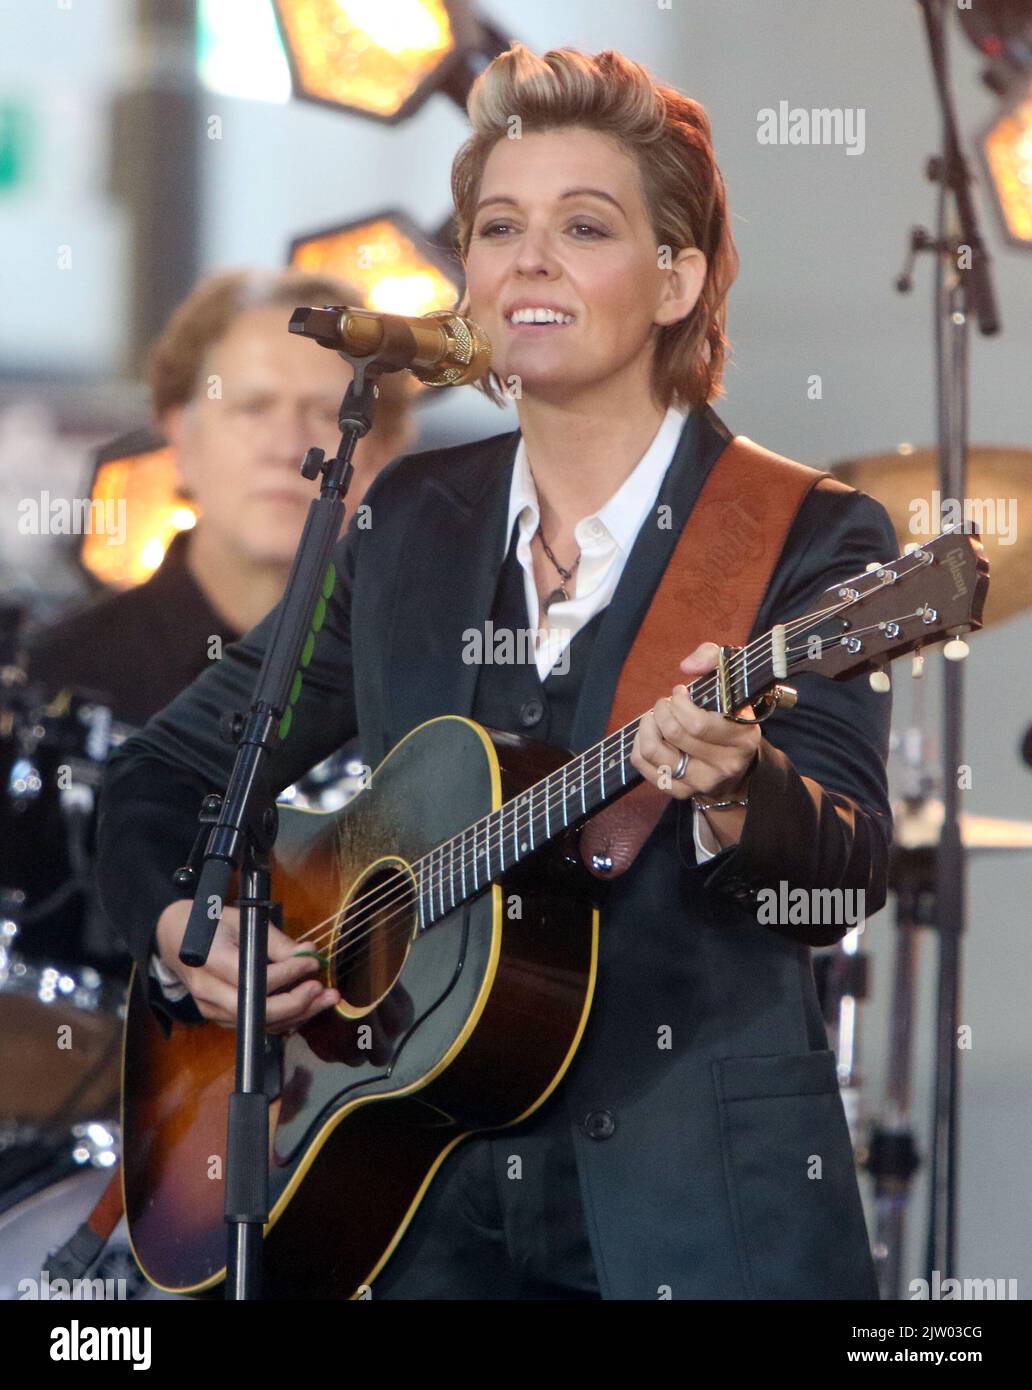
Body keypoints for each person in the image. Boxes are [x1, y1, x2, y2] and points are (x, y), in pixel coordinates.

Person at [95, 45, 895, 1300]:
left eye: (585, 226)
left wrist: (741, 791)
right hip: (416, 1204)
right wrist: (185, 922)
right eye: (498, 227)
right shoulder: (406, 517)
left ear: (677, 279)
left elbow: (844, 868)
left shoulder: (805, 533)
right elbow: (168, 767)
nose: (528, 258)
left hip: (701, 1216)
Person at [27, 268, 416, 729]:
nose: (288, 447)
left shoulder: (424, 683)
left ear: (384, 453)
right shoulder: (50, 681)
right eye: (253, 408)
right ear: (180, 437)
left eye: (327, 414)